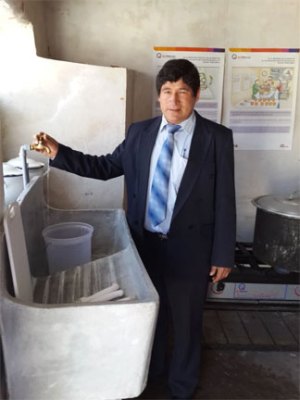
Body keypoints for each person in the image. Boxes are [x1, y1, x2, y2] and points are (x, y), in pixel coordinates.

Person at [33, 59, 236, 400]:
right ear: (158, 96)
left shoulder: (216, 138)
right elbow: (104, 167)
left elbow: (225, 199)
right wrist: (58, 152)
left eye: (183, 92)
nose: (174, 100)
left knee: (186, 324)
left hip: (191, 248)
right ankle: (151, 376)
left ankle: (182, 387)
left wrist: (222, 254)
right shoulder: (140, 133)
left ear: (196, 95)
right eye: (167, 92)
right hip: (144, 246)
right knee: (149, 314)